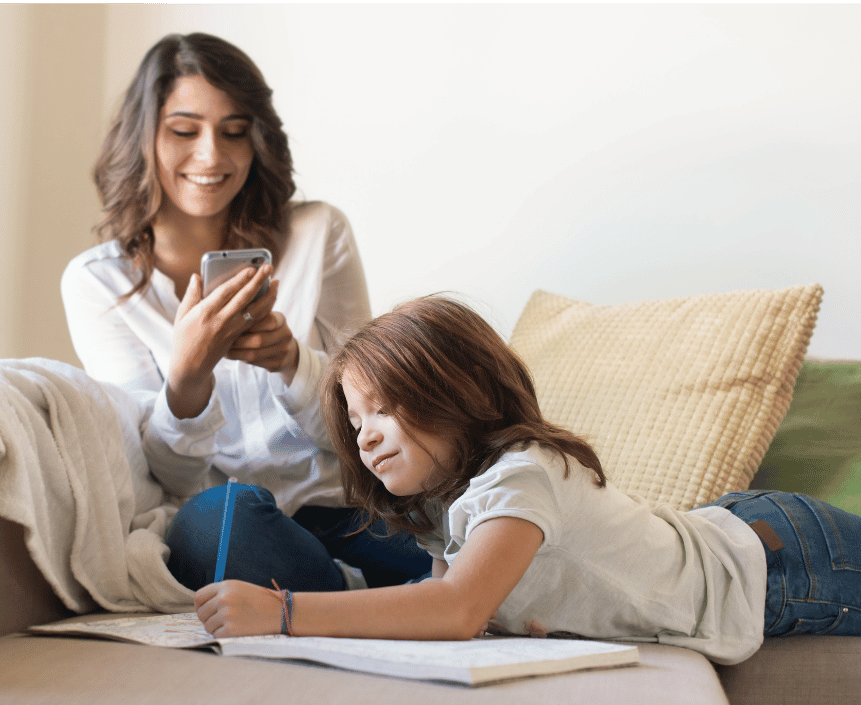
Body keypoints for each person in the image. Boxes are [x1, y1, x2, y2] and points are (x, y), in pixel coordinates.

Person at [194, 294, 861, 665]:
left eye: (386, 408)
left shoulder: (521, 474)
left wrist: (283, 613)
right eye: (357, 416)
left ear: (459, 391)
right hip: (734, 532)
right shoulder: (445, 505)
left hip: (778, 557)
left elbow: (455, 607)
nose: (365, 434)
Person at [60, 32, 430, 594]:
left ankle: (353, 593)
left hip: (354, 507)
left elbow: (373, 421)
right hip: (238, 522)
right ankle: (356, 595)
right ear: (144, 137)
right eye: (184, 130)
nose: (211, 155)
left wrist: (293, 363)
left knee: (487, 544)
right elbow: (160, 475)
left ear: (257, 139)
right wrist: (187, 379)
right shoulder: (98, 283)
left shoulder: (318, 234)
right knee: (213, 526)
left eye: (234, 132)